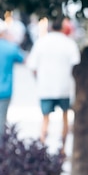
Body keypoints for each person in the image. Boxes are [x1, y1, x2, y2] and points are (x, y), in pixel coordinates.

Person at [26, 17, 80, 150]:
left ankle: (42, 147)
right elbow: (76, 63)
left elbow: (32, 65)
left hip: (45, 87)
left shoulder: (41, 42)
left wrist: (38, 79)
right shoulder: (69, 43)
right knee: (65, 117)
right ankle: (63, 149)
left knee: (45, 119)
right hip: (64, 87)